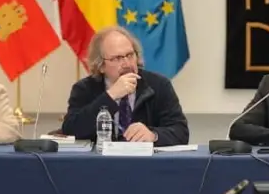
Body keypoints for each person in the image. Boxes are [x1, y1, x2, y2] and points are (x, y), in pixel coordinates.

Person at [60, 25, 189, 146]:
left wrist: (153, 135)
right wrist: (110, 96)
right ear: (101, 66)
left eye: (130, 55)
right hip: (101, 165)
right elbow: (71, 130)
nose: (127, 63)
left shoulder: (159, 85)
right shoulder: (84, 89)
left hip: (146, 165)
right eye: (117, 58)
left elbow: (181, 132)